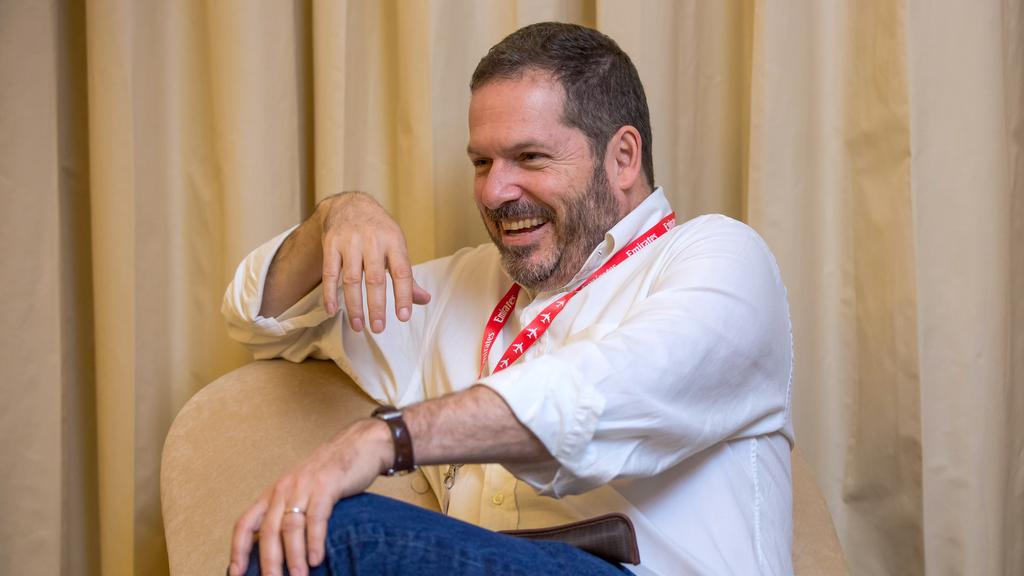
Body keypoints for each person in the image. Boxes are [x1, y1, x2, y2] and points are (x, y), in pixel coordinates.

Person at [222, 22, 793, 576]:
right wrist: (337, 216)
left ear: (622, 157)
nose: (494, 192)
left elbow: (599, 395)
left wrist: (384, 438)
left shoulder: (720, 257)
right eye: (481, 163)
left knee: (339, 535)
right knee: (287, 535)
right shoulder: (462, 285)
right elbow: (263, 319)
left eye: (530, 157)